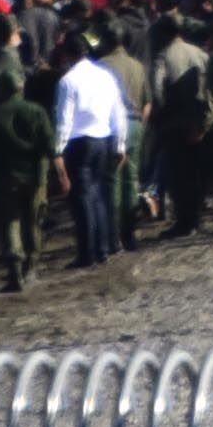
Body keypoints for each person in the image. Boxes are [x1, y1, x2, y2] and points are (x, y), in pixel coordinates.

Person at [53, 41, 132, 268]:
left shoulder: (68, 81)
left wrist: (57, 150)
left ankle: (87, 253)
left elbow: (64, 120)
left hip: (79, 143)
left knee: (83, 199)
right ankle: (104, 247)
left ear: (68, 55)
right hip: (104, 139)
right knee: (99, 195)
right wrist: (120, 144)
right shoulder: (105, 76)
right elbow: (119, 112)